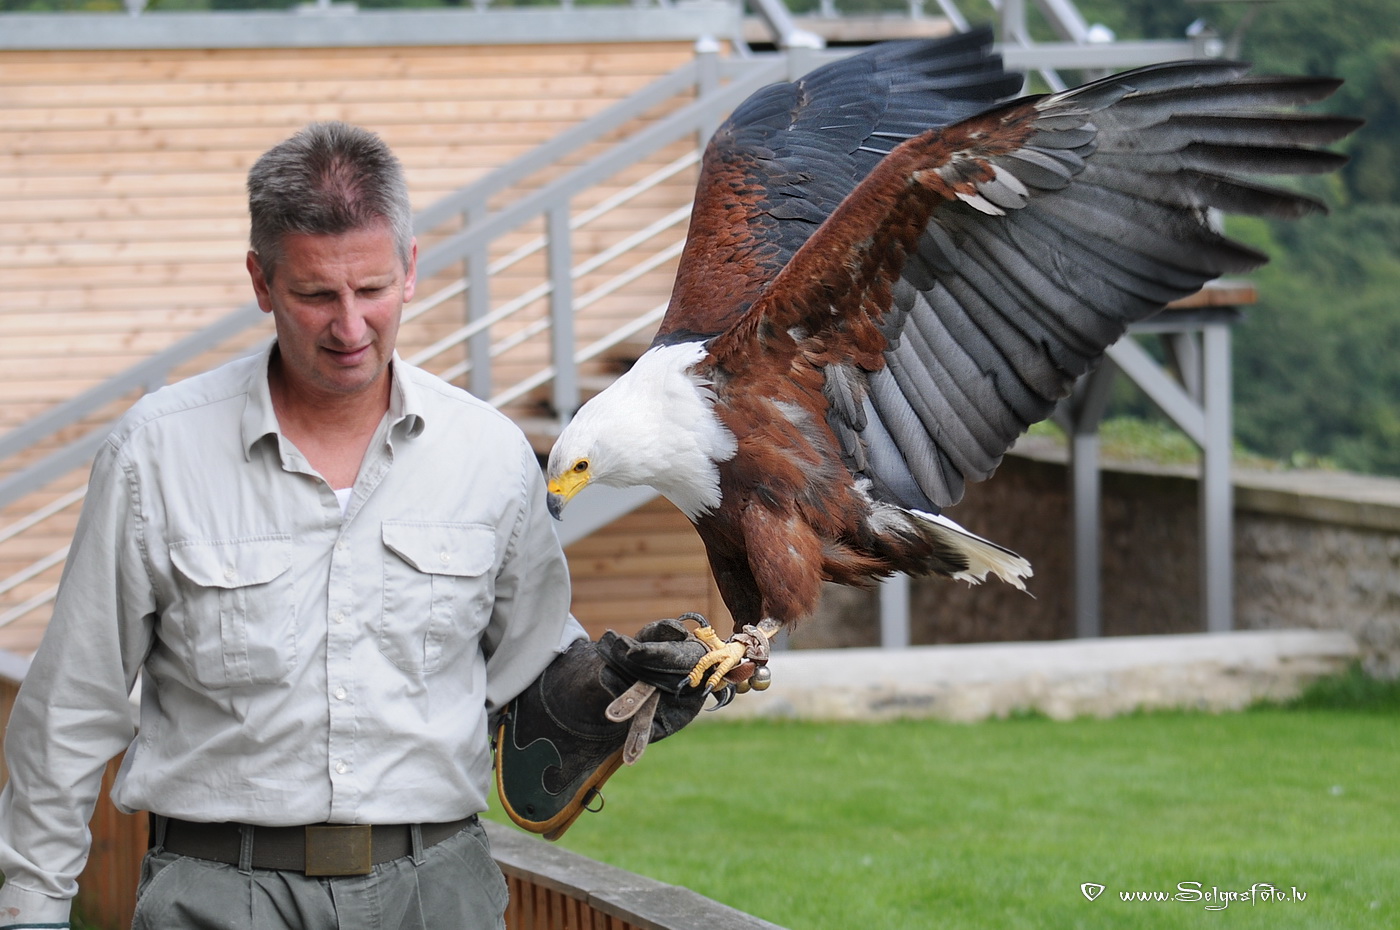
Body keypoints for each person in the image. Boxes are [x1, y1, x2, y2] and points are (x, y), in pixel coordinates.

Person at [0, 122, 709, 930]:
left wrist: (613, 693)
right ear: (260, 282)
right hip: (219, 895)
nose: (349, 327)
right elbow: (71, 708)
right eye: (315, 295)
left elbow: (531, 673)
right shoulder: (153, 455)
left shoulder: (490, 456)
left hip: (434, 894)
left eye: (371, 289)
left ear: (410, 270)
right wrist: (31, 910)